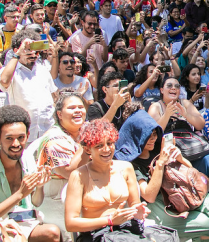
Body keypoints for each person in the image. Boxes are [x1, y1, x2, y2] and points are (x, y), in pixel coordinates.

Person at [114, 107, 209, 242]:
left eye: (154, 134)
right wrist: (160, 164)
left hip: (182, 193)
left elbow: (190, 172)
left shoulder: (157, 147)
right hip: (158, 206)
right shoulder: (131, 162)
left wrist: (180, 158)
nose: (152, 139)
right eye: (147, 136)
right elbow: (149, 196)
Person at [64, 119, 150, 241]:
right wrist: (109, 221)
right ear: (88, 150)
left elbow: (134, 205)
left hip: (124, 231)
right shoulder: (78, 175)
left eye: (110, 143)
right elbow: (71, 223)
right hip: (95, 234)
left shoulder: (126, 168)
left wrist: (139, 210)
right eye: (99, 146)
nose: (106, 149)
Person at [0, 105, 60, 242]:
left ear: (27, 136)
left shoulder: (26, 157)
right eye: (9, 138)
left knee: (53, 233)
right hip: (3, 224)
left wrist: (39, 187)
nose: (16, 144)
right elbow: (21, 194)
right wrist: (20, 194)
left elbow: (36, 202)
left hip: (26, 221)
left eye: (20, 137)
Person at [36, 92, 89, 241]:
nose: (78, 110)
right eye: (72, 108)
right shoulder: (53, 139)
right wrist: (86, 142)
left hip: (83, 191)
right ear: (59, 114)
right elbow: (69, 172)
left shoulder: (83, 129)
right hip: (55, 196)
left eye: (80, 107)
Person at [0, 30, 57, 142]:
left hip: (47, 131)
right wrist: (17, 55)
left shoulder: (42, 69)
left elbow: (53, 95)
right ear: (17, 50)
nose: (33, 55)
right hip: (24, 135)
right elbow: (4, 81)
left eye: (36, 51)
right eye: (28, 50)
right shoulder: (11, 71)